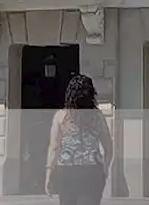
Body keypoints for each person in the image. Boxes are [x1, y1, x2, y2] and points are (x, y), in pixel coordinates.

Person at [45, 73, 112, 205]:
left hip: (67, 171)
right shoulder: (97, 117)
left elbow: (54, 147)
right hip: (92, 170)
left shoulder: (61, 116)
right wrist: (105, 167)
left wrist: (49, 173)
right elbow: (108, 146)